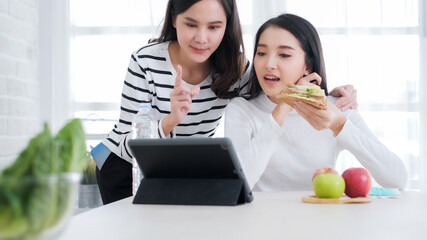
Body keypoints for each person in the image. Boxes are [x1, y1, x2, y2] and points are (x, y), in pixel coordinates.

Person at [93, 0, 358, 204]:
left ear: (227, 26)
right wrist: (170, 119)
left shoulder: (237, 69)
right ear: (174, 19)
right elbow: (131, 143)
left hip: (185, 168)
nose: (202, 38)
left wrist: (323, 92)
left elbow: (273, 90)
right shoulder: (145, 62)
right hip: (125, 166)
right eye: (191, 24)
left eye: (214, 27)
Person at [224, 13, 407, 191]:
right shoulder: (241, 109)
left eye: (284, 55)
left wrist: (340, 125)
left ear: (308, 66)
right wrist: (284, 106)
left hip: (322, 220)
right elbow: (238, 184)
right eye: (261, 52)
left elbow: (397, 179)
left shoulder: (334, 109)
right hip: (260, 221)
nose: (269, 63)